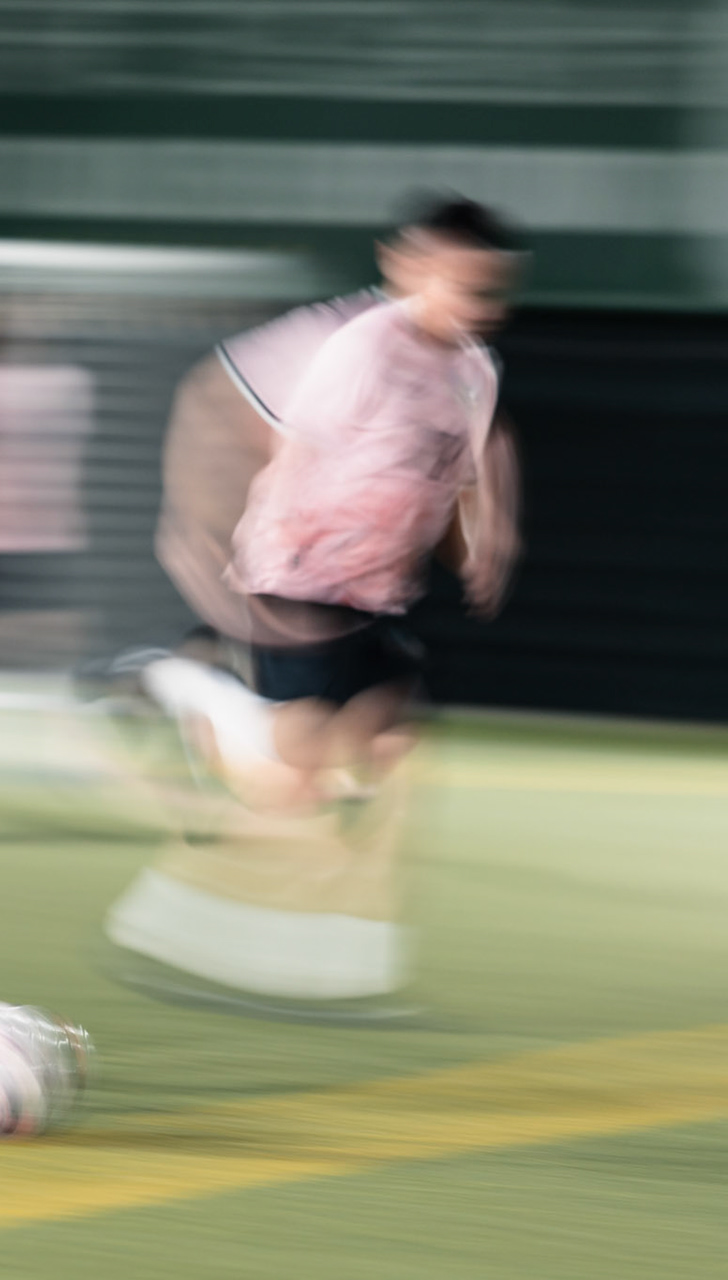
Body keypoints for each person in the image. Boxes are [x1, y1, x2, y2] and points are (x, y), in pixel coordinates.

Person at [107, 196, 524, 1010]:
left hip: (377, 590)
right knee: (291, 776)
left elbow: (466, 465)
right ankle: (192, 696)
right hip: (302, 579)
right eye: (460, 285)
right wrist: (260, 559)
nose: (478, 306)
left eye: (491, 291)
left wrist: (483, 537)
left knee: (394, 740)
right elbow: (298, 455)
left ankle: (356, 950)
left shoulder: (473, 370)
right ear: (407, 270)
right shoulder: (361, 351)